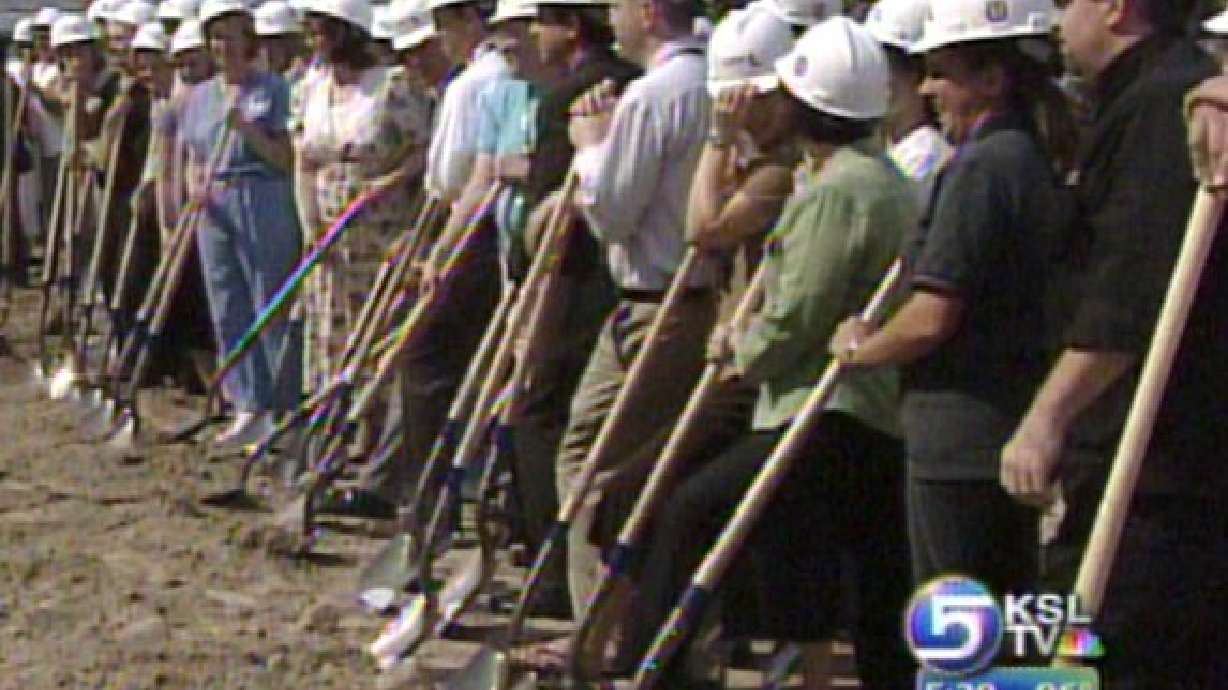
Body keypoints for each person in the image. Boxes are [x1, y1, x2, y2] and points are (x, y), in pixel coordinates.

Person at [625, 18, 916, 690]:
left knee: (692, 509)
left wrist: (740, 352)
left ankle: (659, 670)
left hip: (823, 409)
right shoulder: (881, 177)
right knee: (829, 557)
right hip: (862, 409)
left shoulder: (840, 191)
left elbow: (798, 314)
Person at [1003, 0, 1228, 686]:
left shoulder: (1162, 104)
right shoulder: (1138, 99)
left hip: (1153, 477)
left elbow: (1128, 296)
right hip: (1135, 466)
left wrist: (1046, 419)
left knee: (1097, 657)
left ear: (1114, 7)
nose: (1054, 21)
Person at [829, 0, 1077, 600]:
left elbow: (934, 313)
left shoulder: (985, 168)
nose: (931, 89)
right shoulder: (1031, 156)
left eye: (943, 73)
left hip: (959, 437)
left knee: (958, 625)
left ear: (992, 78)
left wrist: (862, 348)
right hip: (999, 423)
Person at [556, 0, 716, 622]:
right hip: (693, 299)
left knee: (593, 464)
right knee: (655, 464)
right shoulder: (711, 83)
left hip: (658, 299)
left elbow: (613, 212)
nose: (609, 18)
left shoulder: (656, 95)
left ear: (648, 12)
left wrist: (591, 148)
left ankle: (599, 625)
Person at [290, 0, 430, 476]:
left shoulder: (391, 88)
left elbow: (423, 151)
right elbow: (303, 161)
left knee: (375, 336)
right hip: (331, 239)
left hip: (380, 232)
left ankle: (373, 443)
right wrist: (309, 223)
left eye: (322, 30)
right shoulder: (310, 89)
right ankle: (335, 435)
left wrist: (388, 182)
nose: (314, 41)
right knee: (332, 335)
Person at [179, 0, 302, 447]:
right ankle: (245, 401)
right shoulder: (200, 95)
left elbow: (286, 158)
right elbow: (193, 152)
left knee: (268, 297)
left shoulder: (273, 89)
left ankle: (281, 404)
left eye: (233, 36)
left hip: (261, 192)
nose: (224, 46)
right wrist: (194, 186)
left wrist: (248, 129)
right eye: (216, 37)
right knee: (226, 300)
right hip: (215, 199)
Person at [863, 0, 952, 201]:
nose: (875, 78)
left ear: (918, 73)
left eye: (888, 66)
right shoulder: (884, 144)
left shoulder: (926, 153)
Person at [254, 0, 308, 76]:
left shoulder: (308, 79)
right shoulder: (255, 80)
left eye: (274, 38)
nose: (266, 47)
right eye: (261, 40)